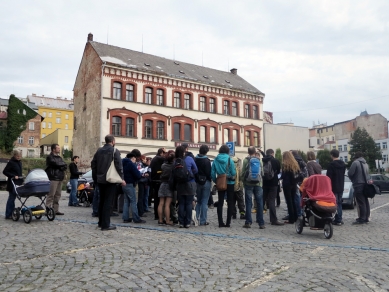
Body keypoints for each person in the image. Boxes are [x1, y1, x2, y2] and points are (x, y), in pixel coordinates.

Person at [91, 135, 125, 231]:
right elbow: (119, 165)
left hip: (100, 179)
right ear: (113, 141)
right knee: (108, 202)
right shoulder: (114, 151)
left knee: (101, 201)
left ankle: (101, 222)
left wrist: (95, 178)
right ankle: (106, 224)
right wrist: (122, 178)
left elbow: (93, 165)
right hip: (110, 179)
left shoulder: (99, 151)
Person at [211, 144, 236, 228]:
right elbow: (233, 173)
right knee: (230, 202)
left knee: (220, 202)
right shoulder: (230, 159)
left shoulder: (216, 159)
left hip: (220, 182)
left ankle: (220, 222)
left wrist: (216, 180)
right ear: (228, 151)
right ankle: (228, 222)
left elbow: (212, 173)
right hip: (230, 183)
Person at [241, 146, 265, 229]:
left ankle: (248, 222)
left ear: (248, 152)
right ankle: (261, 223)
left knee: (248, 202)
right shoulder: (259, 160)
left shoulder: (246, 160)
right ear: (255, 152)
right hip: (258, 184)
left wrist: (243, 181)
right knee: (259, 202)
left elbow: (243, 172)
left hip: (248, 184)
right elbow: (262, 172)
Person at [174, 146, 198, 228]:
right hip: (190, 183)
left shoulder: (176, 161)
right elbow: (196, 170)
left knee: (181, 203)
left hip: (180, 184)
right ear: (184, 152)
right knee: (188, 203)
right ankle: (187, 222)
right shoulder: (189, 159)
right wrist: (190, 174)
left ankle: (181, 222)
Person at [348, 152, 372, 224]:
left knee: (361, 202)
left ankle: (362, 218)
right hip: (365, 184)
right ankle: (366, 217)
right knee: (365, 201)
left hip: (358, 184)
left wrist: (353, 180)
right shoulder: (365, 164)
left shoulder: (355, 163)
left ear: (355, 157)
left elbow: (350, 173)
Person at [262, 149, 284, 226]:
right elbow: (278, 172)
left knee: (262, 200)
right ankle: (273, 220)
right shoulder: (276, 161)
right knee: (271, 201)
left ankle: (259, 218)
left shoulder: (263, 160)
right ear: (272, 153)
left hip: (264, 182)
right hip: (273, 183)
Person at [122, 152, 145, 224]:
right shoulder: (130, 164)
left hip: (124, 184)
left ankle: (125, 218)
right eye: (135, 159)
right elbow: (137, 175)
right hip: (130, 184)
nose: (135, 161)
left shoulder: (122, 163)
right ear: (132, 158)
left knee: (126, 201)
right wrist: (141, 173)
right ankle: (136, 218)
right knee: (133, 201)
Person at [46, 144, 67, 215]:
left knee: (58, 195)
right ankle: (48, 209)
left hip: (60, 177)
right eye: (57, 148)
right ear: (53, 149)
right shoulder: (50, 157)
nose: (59, 149)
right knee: (51, 194)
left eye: (59, 148)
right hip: (53, 177)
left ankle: (55, 210)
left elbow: (65, 165)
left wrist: (60, 165)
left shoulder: (60, 158)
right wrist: (61, 165)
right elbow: (54, 164)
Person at [326, 149, 346, 226]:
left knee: (334, 203)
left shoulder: (331, 165)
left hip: (333, 186)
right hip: (341, 185)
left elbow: (328, 177)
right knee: (339, 202)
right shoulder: (343, 164)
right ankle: (339, 218)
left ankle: (336, 219)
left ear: (332, 155)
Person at [194, 145, 212, 226]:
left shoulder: (195, 159)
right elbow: (209, 173)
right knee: (205, 201)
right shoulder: (207, 161)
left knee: (199, 201)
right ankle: (203, 220)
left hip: (197, 182)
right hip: (206, 182)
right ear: (206, 152)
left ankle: (196, 218)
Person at [3, 150, 23, 219]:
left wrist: (21, 176)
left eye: (19, 156)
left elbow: (18, 172)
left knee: (13, 198)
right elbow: (5, 171)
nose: (19, 157)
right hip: (12, 183)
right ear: (14, 155)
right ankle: (8, 214)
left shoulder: (19, 162)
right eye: (17, 156)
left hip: (18, 183)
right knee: (11, 198)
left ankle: (12, 212)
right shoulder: (11, 162)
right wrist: (13, 176)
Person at [281, 151, 300, 224]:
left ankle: (291, 218)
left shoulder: (285, 165)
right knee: (293, 200)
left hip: (287, 184)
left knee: (289, 202)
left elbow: (283, 176)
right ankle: (295, 216)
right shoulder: (295, 164)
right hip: (294, 184)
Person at [158, 150, 175, 226]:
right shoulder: (173, 166)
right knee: (167, 204)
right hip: (169, 185)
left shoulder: (163, 165)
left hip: (162, 184)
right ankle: (168, 220)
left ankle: (160, 220)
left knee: (161, 203)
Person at [150, 148, 166, 220]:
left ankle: (156, 214)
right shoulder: (160, 159)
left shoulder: (154, 159)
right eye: (164, 153)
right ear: (161, 153)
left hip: (154, 180)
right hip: (158, 180)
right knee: (159, 199)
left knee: (156, 198)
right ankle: (159, 215)